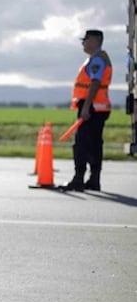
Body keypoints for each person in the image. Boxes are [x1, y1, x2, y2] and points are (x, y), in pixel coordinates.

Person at [61, 29, 112, 192]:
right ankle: (94, 180)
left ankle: (78, 179)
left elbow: (95, 83)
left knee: (82, 144)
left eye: (86, 40)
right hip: (97, 107)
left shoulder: (97, 60)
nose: (83, 43)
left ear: (95, 41)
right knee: (94, 145)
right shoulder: (98, 59)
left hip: (91, 108)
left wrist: (85, 107)